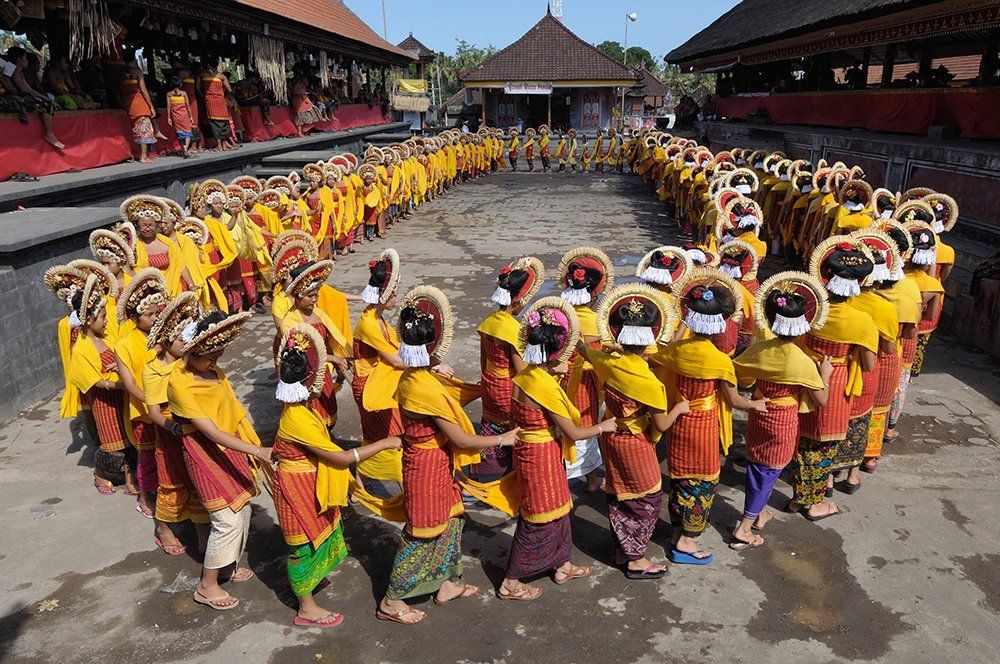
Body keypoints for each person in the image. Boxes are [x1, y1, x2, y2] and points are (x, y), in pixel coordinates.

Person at [380, 289, 518, 624]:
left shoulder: (415, 377)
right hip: (426, 467)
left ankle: (447, 583)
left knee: (453, 520)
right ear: (430, 346)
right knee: (422, 533)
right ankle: (391, 601)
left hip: (437, 463)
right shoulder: (423, 387)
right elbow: (459, 438)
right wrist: (504, 438)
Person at [274, 323, 401, 627]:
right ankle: (306, 608)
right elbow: (341, 457)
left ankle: (307, 588)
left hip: (307, 481)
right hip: (297, 488)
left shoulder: (300, 408)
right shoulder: (297, 418)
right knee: (302, 546)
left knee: (315, 538)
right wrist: (385, 443)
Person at [649, 269, 767, 564]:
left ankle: (679, 531)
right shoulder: (720, 361)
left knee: (680, 477)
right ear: (719, 323)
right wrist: (754, 405)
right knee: (702, 481)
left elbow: (655, 362)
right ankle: (688, 541)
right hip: (703, 425)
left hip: (679, 421)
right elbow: (734, 399)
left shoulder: (676, 351)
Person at [500, 297, 611, 600]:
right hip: (541, 456)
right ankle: (511, 580)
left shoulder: (524, 375)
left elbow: (515, 418)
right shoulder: (544, 385)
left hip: (534, 451)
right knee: (539, 515)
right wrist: (604, 427)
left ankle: (563, 564)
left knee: (560, 508)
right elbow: (573, 432)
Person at [167, 309, 270, 611]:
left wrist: (247, 445)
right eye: (210, 357)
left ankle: (228, 566)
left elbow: (231, 410)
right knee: (226, 519)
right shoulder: (179, 383)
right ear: (193, 351)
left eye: (218, 356)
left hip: (231, 446)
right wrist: (258, 451)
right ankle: (206, 586)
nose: (214, 362)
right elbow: (210, 432)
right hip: (204, 452)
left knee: (243, 507)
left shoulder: (215, 373)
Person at [588, 285, 689, 577]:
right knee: (647, 498)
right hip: (633, 441)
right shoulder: (649, 383)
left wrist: (610, 347)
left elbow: (584, 349)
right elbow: (662, 425)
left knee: (619, 492)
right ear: (650, 339)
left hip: (611, 436)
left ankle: (622, 549)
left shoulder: (608, 363)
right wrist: (679, 409)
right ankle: (635, 558)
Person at [731, 272, 832, 549]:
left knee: (757, 465)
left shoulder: (760, 350)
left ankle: (759, 513)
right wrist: (825, 375)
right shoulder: (801, 361)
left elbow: (740, 375)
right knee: (768, 472)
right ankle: (744, 528)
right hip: (783, 418)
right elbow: (821, 399)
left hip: (760, 412)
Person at [789, 238, 878, 521]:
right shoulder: (862, 321)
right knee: (823, 444)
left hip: (807, 373)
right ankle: (813, 503)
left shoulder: (811, 309)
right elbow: (868, 364)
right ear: (859, 282)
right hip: (836, 380)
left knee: (804, 439)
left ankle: (799, 496)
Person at [143, 292, 209, 556]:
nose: (186, 344)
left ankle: (205, 542)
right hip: (170, 431)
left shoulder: (188, 364)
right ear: (167, 339)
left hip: (194, 426)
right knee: (173, 482)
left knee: (198, 483)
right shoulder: (152, 369)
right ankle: (163, 528)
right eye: (182, 340)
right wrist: (175, 429)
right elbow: (154, 412)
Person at [474, 257, 543, 480]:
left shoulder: (489, 320)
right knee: (514, 429)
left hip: (489, 383)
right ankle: (510, 477)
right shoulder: (513, 329)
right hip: (506, 388)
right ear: (519, 300)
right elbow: (521, 371)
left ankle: (486, 469)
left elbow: (483, 358)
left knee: (490, 423)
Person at [557, 247, 614, 492]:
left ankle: (590, 478)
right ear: (595, 293)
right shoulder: (597, 322)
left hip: (559, 378)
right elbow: (602, 358)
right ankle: (569, 480)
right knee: (583, 426)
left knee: (562, 424)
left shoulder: (558, 314)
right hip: (585, 382)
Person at [114, 268, 169, 521]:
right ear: (135, 317)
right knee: (147, 457)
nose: (155, 318)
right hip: (143, 410)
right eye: (149, 315)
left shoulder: (163, 336)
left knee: (167, 454)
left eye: (157, 313)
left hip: (168, 405)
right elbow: (129, 384)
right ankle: (145, 497)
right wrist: (151, 400)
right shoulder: (124, 344)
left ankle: (169, 496)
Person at [68, 275, 131, 495]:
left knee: (128, 441)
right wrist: (117, 385)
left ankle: (131, 479)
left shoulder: (106, 337)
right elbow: (92, 380)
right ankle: (100, 473)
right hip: (103, 402)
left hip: (121, 396)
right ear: (88, 320)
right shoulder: (81, 347)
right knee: (113, 446)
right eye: (103, 317)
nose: (106, 321)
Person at [352, 250, 405, 489]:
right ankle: (406, 489)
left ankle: (359, 485)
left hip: (380, 383)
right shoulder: (369, 323)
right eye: (393, 293)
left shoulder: (378, 319)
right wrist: (430, 363)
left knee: (377, 436)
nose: (396, 297)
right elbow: (395, 360)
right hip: (370, 387)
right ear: (383, 295)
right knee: (392, 436)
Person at [279, 260, 351, 427]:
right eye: (310, 296)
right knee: (310, 420)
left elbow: (328, 340)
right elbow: (304, 354)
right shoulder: (289, 322)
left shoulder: (318, 313)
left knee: (329, 416)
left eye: (316, 295)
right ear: (297, 296)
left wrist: (340, 360)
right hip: (303, 376)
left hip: (322, 372)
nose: (315, 299)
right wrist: (334, 359)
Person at [3, 46, 65, 149]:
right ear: (19, 59)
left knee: (48, 102)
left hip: (25, 95)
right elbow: (25, 90)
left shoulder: (20, 72)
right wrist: (46, 100)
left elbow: (30, 90)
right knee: (47, 105)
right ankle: (49, 134)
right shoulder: (14, 72)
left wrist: (47, 98)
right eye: (25, 58)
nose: (27, 61)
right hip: (20, 97)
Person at [121, 60, 167, 163]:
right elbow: (143, 90)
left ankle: (143, 154)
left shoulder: (122, 73)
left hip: (130, 104)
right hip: (139, 103)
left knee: (138, 129)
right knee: (144, 130)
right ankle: (143, 156)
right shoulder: (137, 72)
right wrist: (151, 106)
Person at [199, 64, 235, 150]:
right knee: (224, 123)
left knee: (214, 124)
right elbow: (229, 90)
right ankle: (224, 145)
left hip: (210, 102)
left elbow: (197, 88)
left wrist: (204, 96)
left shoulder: (201, 75)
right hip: (221, 101)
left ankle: (219, 145)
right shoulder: (221, 76)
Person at [166, 76, 195, 156]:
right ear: (180, 84)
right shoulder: (184, 93)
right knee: (188, 132)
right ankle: (186, 148)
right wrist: (191, 116)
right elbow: (188, 105)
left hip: (175, 117)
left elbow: (168, 106)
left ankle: (183, 149)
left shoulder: (169, 94)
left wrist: (169, 117)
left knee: (180, 133)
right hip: (184, 115)